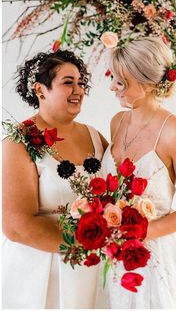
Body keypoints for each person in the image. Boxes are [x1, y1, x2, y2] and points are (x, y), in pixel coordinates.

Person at [95, 36, 176, 308]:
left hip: (153, 261)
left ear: (144, 82)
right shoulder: (117, 122)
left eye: (121, 81)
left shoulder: (175, 132)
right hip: (111, 257)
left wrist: (138, 234)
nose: (113, 87)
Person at [2, 50, 108, 309]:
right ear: (40, 90)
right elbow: (16, 225)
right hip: (41, 272)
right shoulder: (19, 142)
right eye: (68, 82)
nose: (79, 90)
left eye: (81, 83)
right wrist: (84, 245)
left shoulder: (96, 137)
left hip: (93, 269)